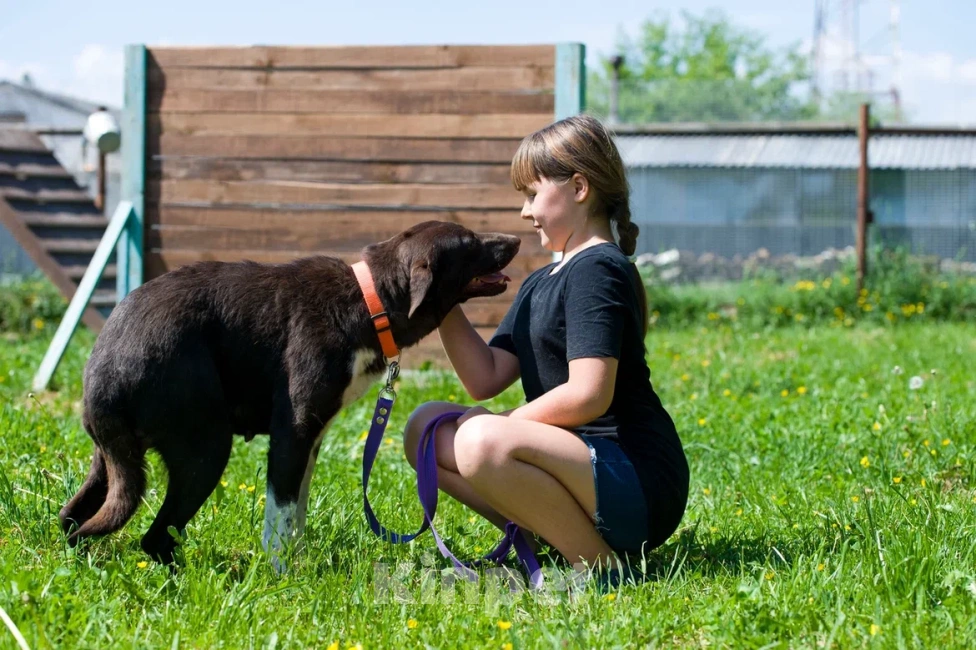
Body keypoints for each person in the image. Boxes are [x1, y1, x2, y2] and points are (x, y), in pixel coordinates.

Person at [402, 114, 689, 588]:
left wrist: (502, 427)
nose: (524, 212)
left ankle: (599, 569)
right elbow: (486, 376)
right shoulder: (542, 281)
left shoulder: (599, 269)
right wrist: (442, 299)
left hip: (635, 476)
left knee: (481, 441)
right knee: (425, 429)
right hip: (583, 469)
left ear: (579, 187)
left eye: (532, 194)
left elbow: (588, 396)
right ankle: (543, 546)